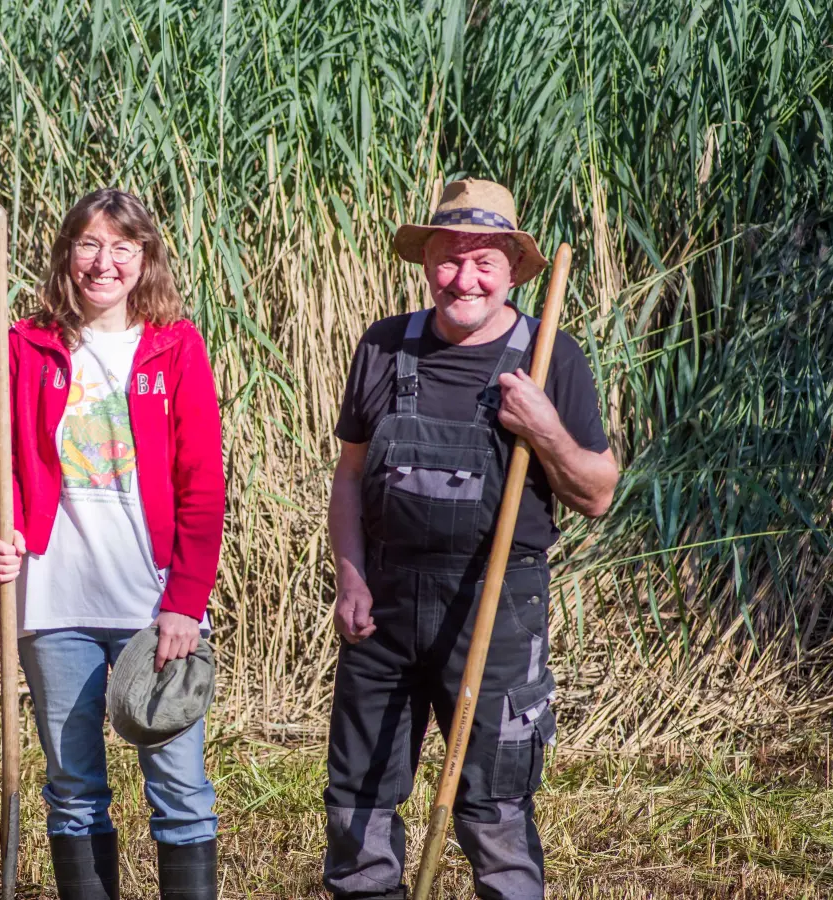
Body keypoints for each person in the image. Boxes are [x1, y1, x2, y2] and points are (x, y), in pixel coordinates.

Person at [323, 179, 619, 900]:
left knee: (494, 807)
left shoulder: (549, 357)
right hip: (385, 607)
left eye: (483, 261)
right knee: (358, 797)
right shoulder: (385, 346)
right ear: (426, 263)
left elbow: (598, 493)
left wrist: (543, 426)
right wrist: (350, 576)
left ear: (513, 269)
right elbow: (349, 476)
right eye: (449, 259)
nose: (464, 278)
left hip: (498, 606)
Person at [0, 189, 226, 900]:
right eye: (88, 243)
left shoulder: (176, 347)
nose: (103, 261)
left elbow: (203, 483)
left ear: (144, 258)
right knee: (75, 787)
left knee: (180, 790)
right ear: (66, 254)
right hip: (55, 605)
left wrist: (184, 603)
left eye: (121, 246)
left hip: (155, 608)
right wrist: (1, 530)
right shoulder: (25, 343)